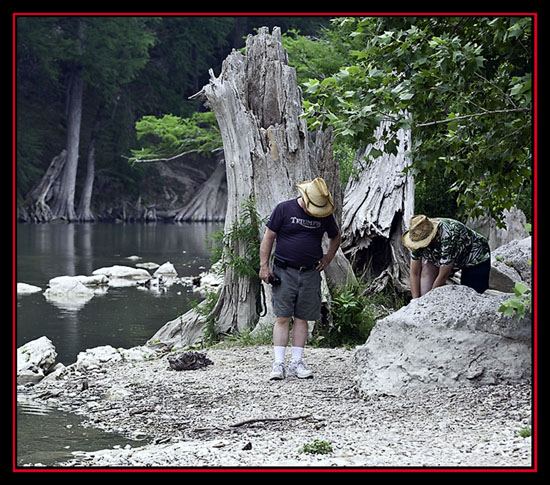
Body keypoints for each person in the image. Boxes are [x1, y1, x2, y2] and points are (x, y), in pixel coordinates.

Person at [259, 178, 341, 380]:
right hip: (284, 270)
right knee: (283, 317)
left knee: (302, 317)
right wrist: (264, 266)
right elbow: (269, 237)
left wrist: (328, 257)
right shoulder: (284, 209)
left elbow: (335, 236)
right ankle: (278, 364)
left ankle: (297, 362)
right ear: (304, 197)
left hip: (310, 271)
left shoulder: (325, 214)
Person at [402, 214, 491, 299]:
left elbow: (443, 275)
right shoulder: (417, 235)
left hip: (475, 256)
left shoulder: (447, 236)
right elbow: (415, 272)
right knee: (427, 269)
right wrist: (416, 302)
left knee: (471, 294)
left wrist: (429, 301)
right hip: (441, 257)